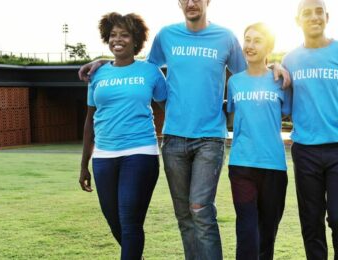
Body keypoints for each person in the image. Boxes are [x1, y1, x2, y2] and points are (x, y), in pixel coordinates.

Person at [78, 1, 290, 259]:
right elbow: (141, 66)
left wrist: (276, 65)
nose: (192, 3)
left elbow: (251, 71)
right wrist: (104, 62)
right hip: (174, 139)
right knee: (183, 215)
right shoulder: (166, 35)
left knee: (200, 209)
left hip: (210, 138)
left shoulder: (225, 37)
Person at [281, 0, 338, 259]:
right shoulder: (290, 59)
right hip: (305, 152)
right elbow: (282, 104)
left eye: (318, 12)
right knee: (311, 223)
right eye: (307, 13)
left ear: (327, 16)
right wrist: (273, 70)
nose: (314, 17)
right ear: (297, 20)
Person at [78, 12, 167, 260]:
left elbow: (169, 109)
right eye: (113, 35)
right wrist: (84, 164)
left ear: (135, 39)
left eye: (124, 35)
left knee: (129, 220)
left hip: (140, 153)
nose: (118, 39)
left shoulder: (150, 72)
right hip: (104, 157)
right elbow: (90, 121)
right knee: (115, 221)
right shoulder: (97, 74)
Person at [225, 23, 290, 260]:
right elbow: (232, 113)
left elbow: (286, 112)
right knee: (246, 230)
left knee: (267, 234)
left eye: (257, 40)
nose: (250, 45)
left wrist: (278, 66)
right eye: (247, 39)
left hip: (274, 166)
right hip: (241, 164)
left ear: (269, 47)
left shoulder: (281, 80)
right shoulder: (234, 82)